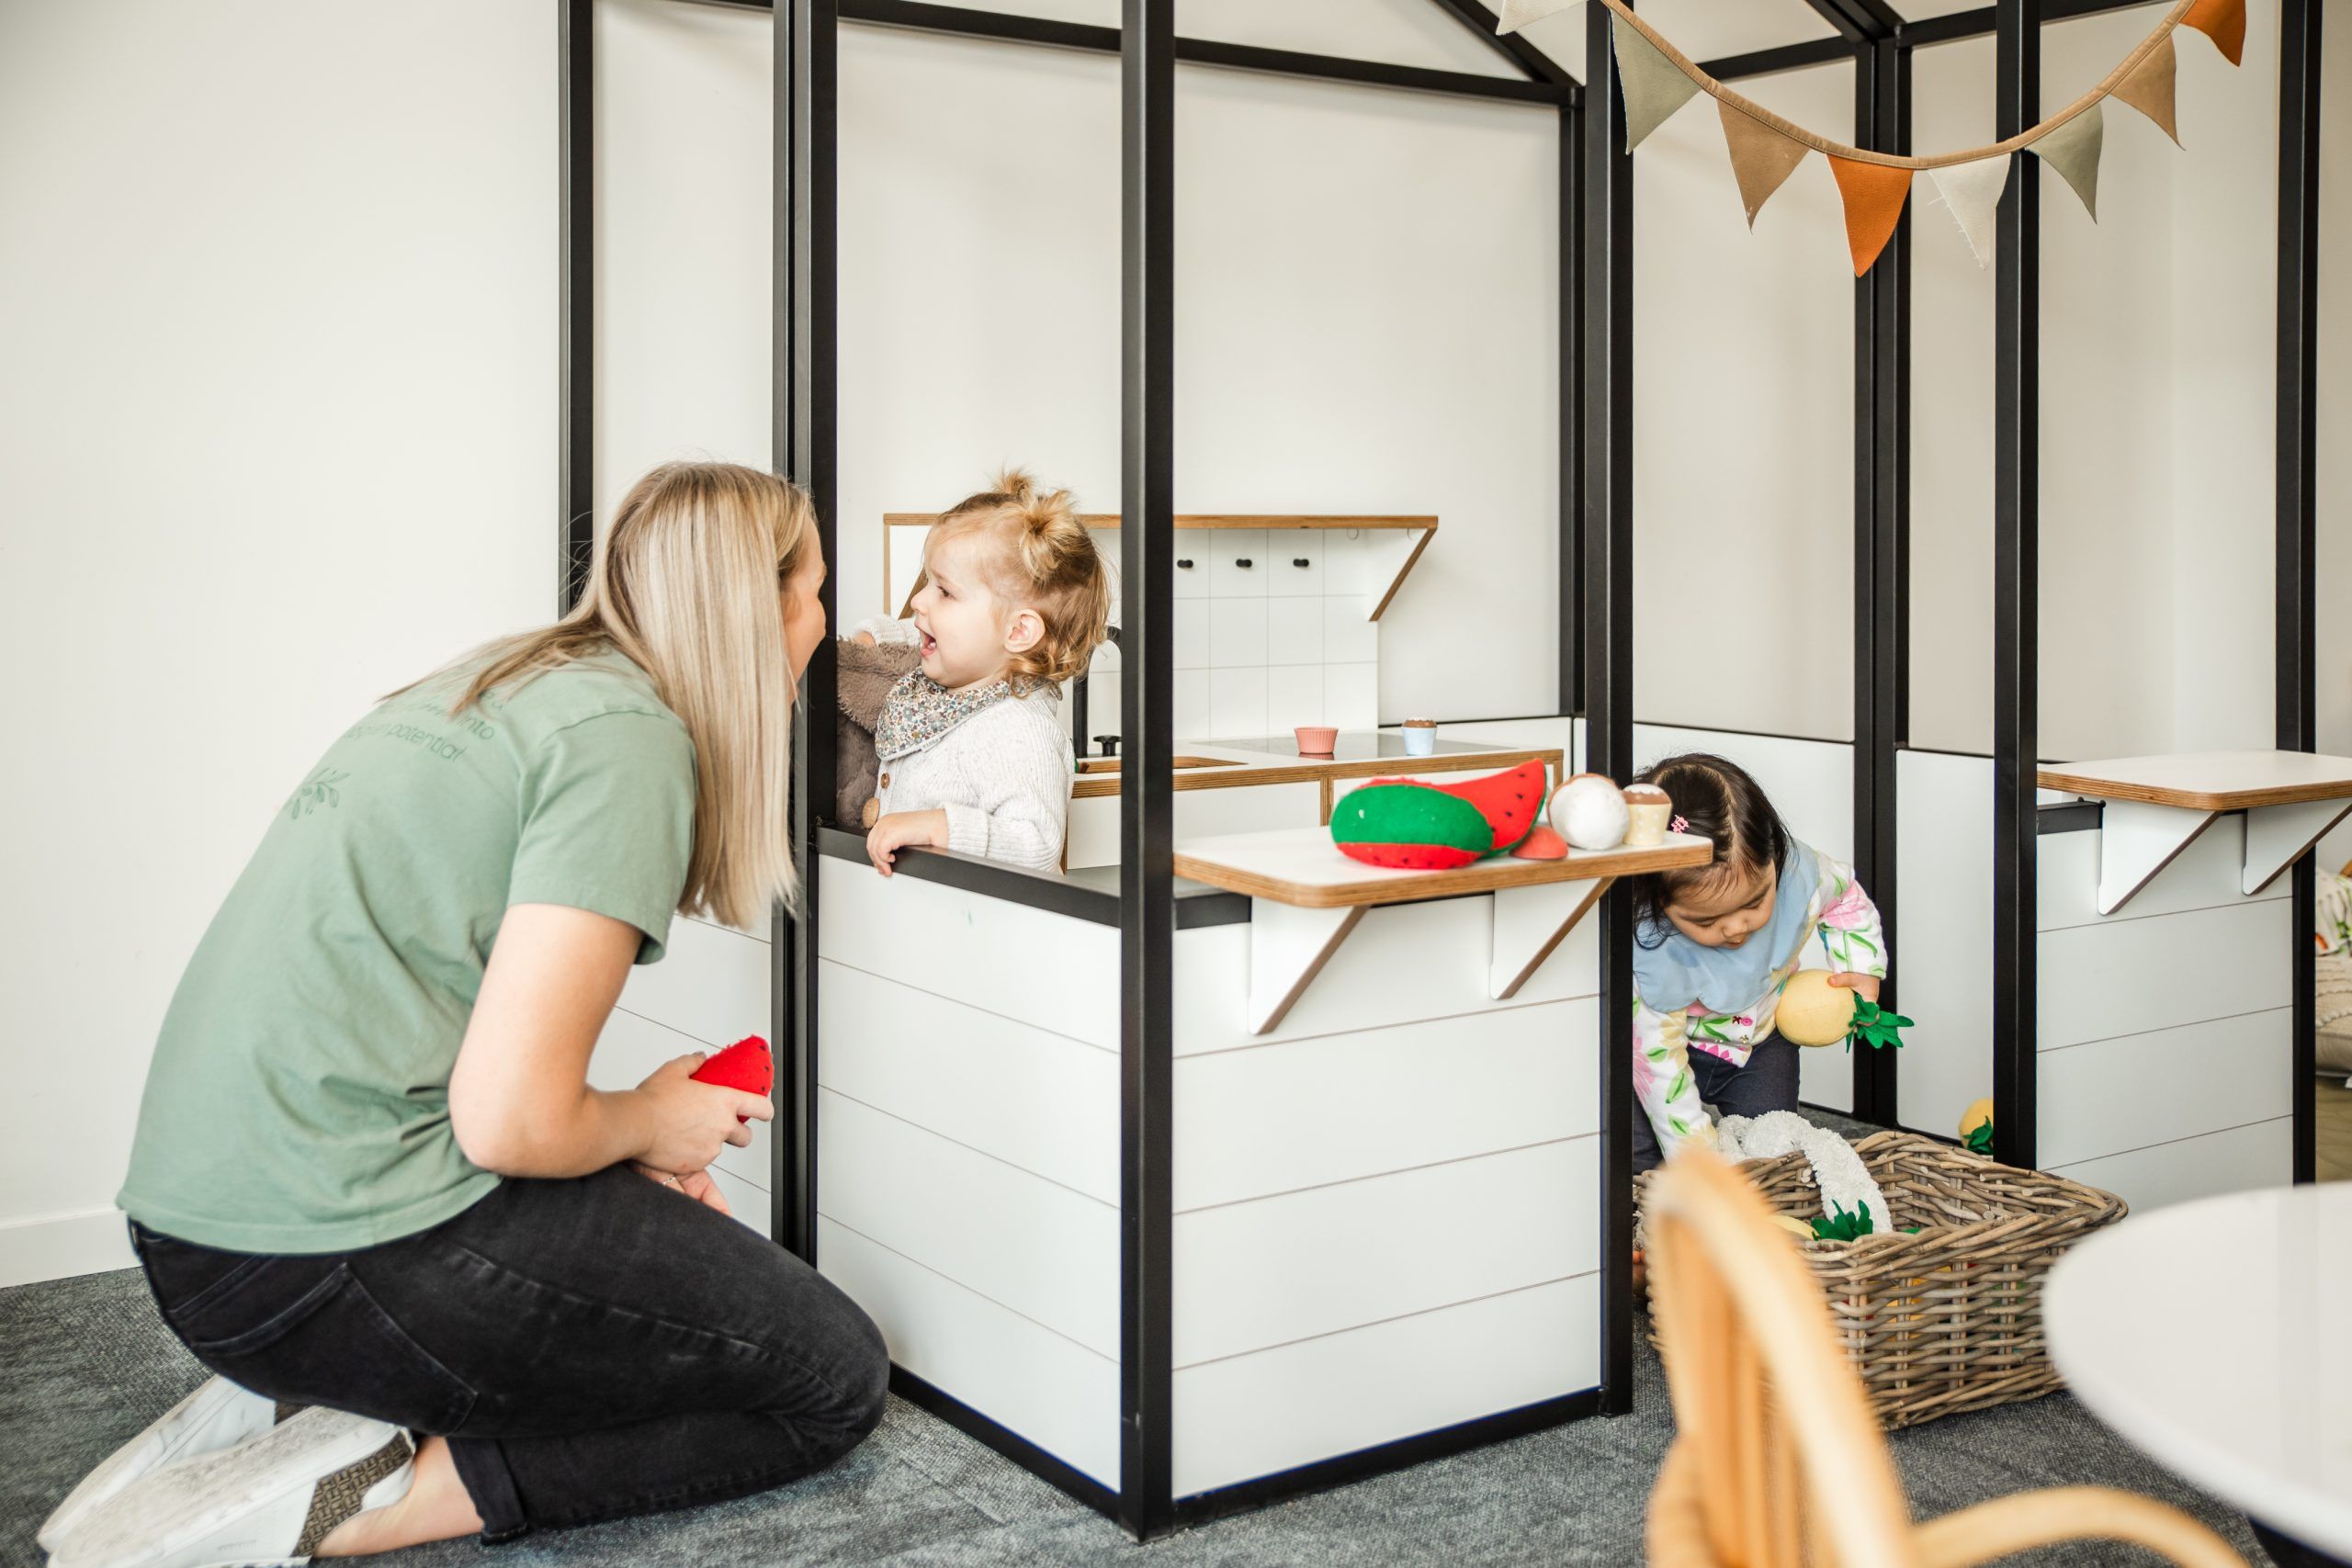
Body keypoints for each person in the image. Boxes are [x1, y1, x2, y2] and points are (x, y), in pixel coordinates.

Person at [48, 463, 887, 1568]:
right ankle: (368, 1497)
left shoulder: (510, 681)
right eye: (818, 589)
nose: (828, 626)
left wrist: (622, 1141)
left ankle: (315, 1405)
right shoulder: (630, 741)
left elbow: (469, 1075)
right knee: (829, 1377)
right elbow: (509, 1124)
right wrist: (647, 1124)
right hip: (322, 1260)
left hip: (203, 1236)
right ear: (761, 605)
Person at [1625, 753, 1888, 1174]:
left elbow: (1847, 901)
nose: (1734, 929)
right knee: (1642, 1156)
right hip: (1667, 1051)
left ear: (1774, 859)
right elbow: (1659, 1070)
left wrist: (1860, 966)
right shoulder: (1653, 956)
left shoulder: (1801, 875)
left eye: (1753, 903)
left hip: (1761, 1042)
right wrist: (1702, 1169)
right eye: (1705, 920)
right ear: (1658, 901)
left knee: (1773, 1144)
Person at [851, 468, 1112, 876]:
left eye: (945, 591)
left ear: (1018, 631)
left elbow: (1038, 846)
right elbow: (910, 633)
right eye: (928, 582)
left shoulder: (1018, 728)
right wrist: (870, 638)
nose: (918, 601)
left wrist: (941, 826)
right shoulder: (961, 674)